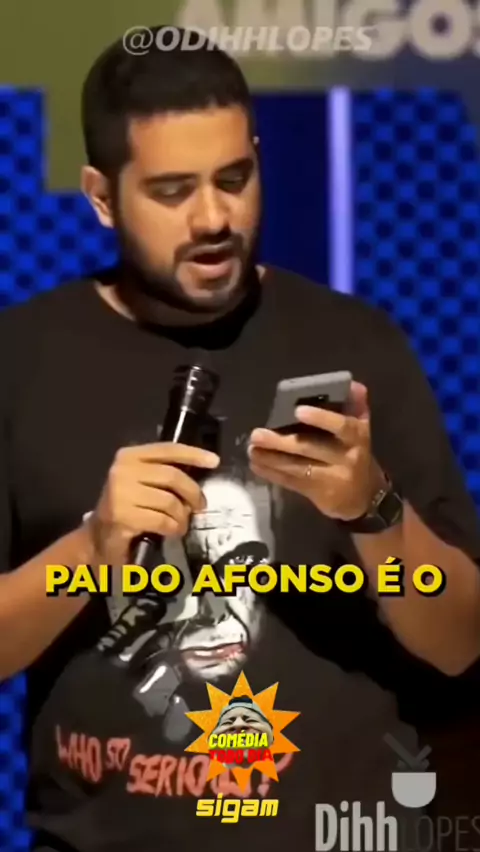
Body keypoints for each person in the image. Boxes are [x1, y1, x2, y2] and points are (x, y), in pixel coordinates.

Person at [0, 25, 479, 852]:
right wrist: (90, 547)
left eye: (234, 178)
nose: (215, 217)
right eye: (172, 190)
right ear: (102, 196)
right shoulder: (22, 359)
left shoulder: (359, 343)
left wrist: (373, 509)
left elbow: (462, 642)